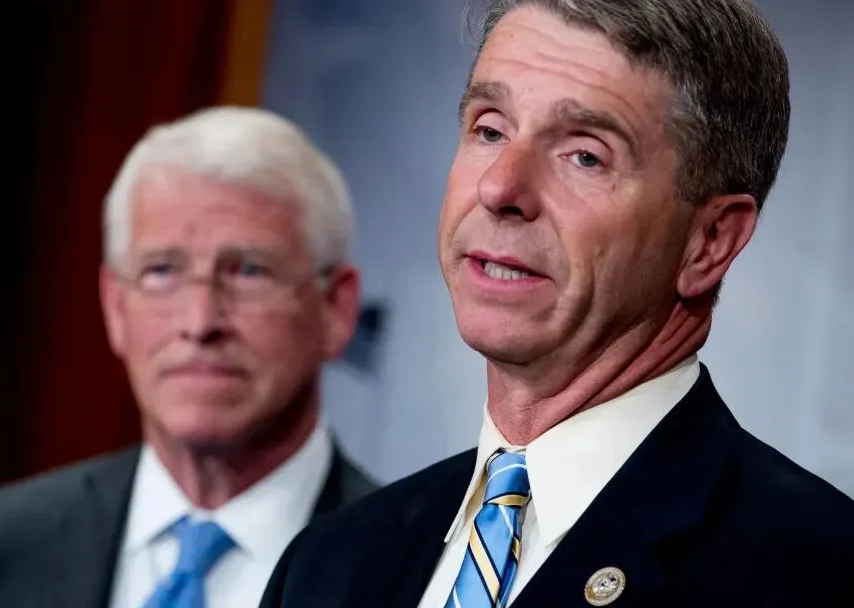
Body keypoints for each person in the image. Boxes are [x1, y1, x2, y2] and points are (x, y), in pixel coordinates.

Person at [259, 1, 854, 607]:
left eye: (585, 155)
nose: (499, 187)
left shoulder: (820, 573)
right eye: (490, 129)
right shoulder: (326, 564)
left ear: (710, 240)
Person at [0, 106, 378, 608]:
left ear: (334, 309)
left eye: (249, 271)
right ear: (116, 306)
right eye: (162, 271)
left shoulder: (411, 576)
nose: (200, 321)